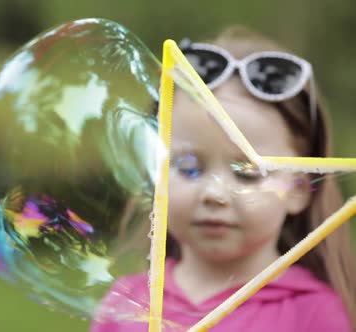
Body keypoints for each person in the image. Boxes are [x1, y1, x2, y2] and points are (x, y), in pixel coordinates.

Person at [90, 26, 356, 331]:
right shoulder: (124, 303)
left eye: (248, 173)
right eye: (189, 167)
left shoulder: (316, 314)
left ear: (299, 188)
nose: (213, 194)